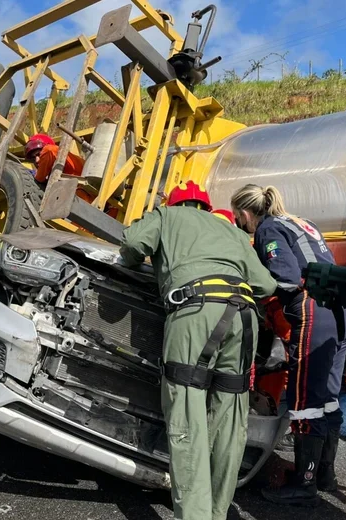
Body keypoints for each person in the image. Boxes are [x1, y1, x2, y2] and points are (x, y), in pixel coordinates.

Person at [119, 180, 277, 520]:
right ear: (205, 205)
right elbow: (266, 284)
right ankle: (216, 513)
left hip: (194, 310)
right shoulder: (230, 230)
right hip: (243, 318)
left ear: (174, 202)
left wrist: (138, 260)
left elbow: (133, 243)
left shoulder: (166, 215)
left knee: (187, 416)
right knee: (229, 421)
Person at [231, 184, 346, 507]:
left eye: (238, 218)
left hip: (314, 310)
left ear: (245, 214)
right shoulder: (301, 222)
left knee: (305, 398)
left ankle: (304, 482)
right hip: (344, 311)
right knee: (328, 397)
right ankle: (325, 475)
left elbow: (284, 277)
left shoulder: (269, 229)